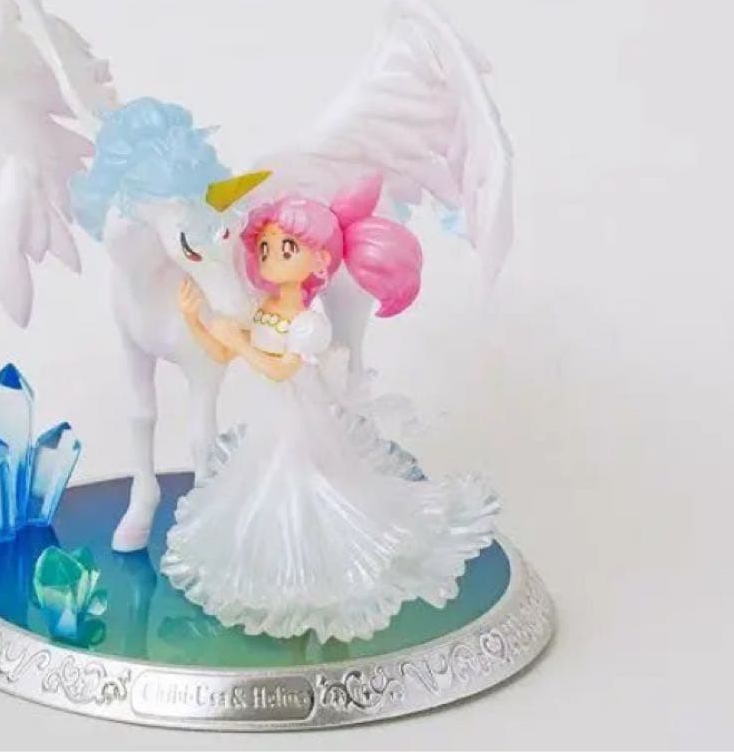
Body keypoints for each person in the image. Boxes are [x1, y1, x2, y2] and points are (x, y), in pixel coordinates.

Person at [159, 172, 499, 642]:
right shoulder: (261, 309)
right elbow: (220, 352)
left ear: (319, 260)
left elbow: (279, 370)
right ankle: (273, 563)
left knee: (297, 485)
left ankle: (312, 569)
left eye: (287, 248)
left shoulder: (308, 324)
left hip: (300, 417)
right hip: (270, 418)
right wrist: (196, 320)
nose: (271, 257)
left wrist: (237, 341)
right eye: (265, 248)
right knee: (257, 489)